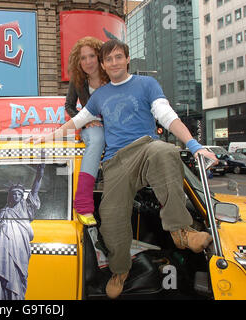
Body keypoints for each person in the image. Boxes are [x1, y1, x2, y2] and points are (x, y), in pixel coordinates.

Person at [26, 39, 217, 299]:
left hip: (146, 148)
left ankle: (181, 231)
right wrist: (48, 137)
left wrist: (195, 146)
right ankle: (120, 271)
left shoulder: (146, 84)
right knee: (111, 220)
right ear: (104, 64)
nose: (114, 63)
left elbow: (166, 115)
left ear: (127, 59)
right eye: (109, 59)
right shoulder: (101, 95)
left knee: (166, 151)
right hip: (116, 162)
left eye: (119, 57)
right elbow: (79, 119)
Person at [0, 164, 45, 300]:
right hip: (1, 252)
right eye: (13, 193)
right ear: (10, 196)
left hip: (19, 250)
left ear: (22, 197)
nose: (16, 196)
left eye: (19, 194)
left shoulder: (26, 209)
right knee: (0, 279)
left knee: (18, 276)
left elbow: (34, 191)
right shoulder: (3, 212)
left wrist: (39, 174)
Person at [65, 37, 109, 226]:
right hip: (90, 127)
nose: (88, 61)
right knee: (97, 139)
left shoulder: (111, 75)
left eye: (92, 56)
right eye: (83, 58)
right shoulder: (78, 79)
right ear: (78, 61)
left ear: (99, 57)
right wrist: (84, 122)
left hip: (114, 125)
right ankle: (82, 203)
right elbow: (69, 106)